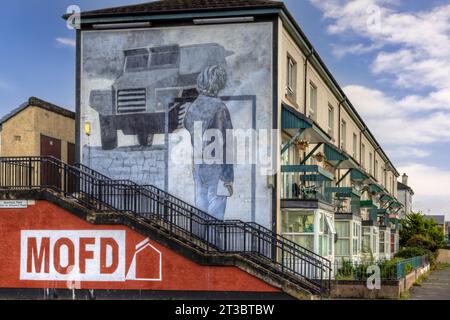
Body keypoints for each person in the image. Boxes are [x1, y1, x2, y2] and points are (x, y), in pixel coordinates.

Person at [184, 65, 234, 220]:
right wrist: (228, 177)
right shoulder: (220, 108)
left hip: (198, 163)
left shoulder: (194, 107)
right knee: (215, 212)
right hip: (216, 165)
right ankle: (212, 244)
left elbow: (187, 124)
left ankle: (198, 242)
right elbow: (226, 143)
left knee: (200, 205)